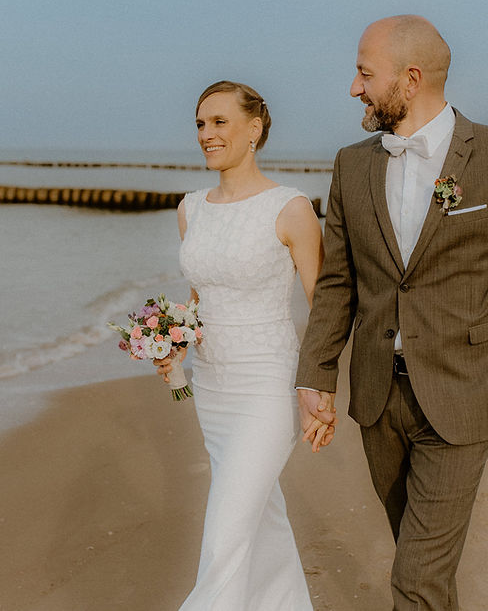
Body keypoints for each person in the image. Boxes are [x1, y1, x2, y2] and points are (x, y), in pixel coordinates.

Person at [295, 15, 488, 611]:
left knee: (414, 580)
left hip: (465, 397)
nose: (353, 88)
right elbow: (339, 282)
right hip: (376, 401)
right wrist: (315, 374)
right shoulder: (351, 165)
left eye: (365, 73)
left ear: (410, 79)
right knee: (425, 570)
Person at [155, 80, 327, 610]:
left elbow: (325, 309)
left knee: (224, 540)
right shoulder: (191, 209)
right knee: (263, 523)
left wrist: (321, 390)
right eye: (201, 124)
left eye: (220, 122)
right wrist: (174, 341)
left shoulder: (291, 209)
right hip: (212, 390)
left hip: (267, 390)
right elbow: (198, 299)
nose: (207, 134)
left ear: (254, 129)